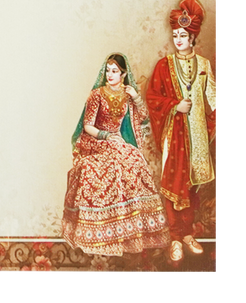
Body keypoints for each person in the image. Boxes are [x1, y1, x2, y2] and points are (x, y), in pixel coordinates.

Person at [62, 53, 170, 256]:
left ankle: (130, 230)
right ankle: (99, 232)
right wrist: (106, 136)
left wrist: (136, 97)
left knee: (134, 161)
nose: (110, 75)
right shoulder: (96, 95)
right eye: (107, 71)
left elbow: (143, 117)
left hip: (118, 141)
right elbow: (88, 125)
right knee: (101, 167)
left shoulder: (127, 95)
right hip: (96, 140)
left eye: (115, 71)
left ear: (123, 74)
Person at [146, 0, 219, 262]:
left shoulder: (203, 65)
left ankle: (188, 234)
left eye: (183, 35)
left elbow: (213, 96)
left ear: (193, 37)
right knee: (174, 183)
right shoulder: (164, 66)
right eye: (175, 35)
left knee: (193, 186)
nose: (178, 39)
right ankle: (175, 238)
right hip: (173, 136)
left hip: (197, 135)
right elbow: (153, 97)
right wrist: (175, 106)